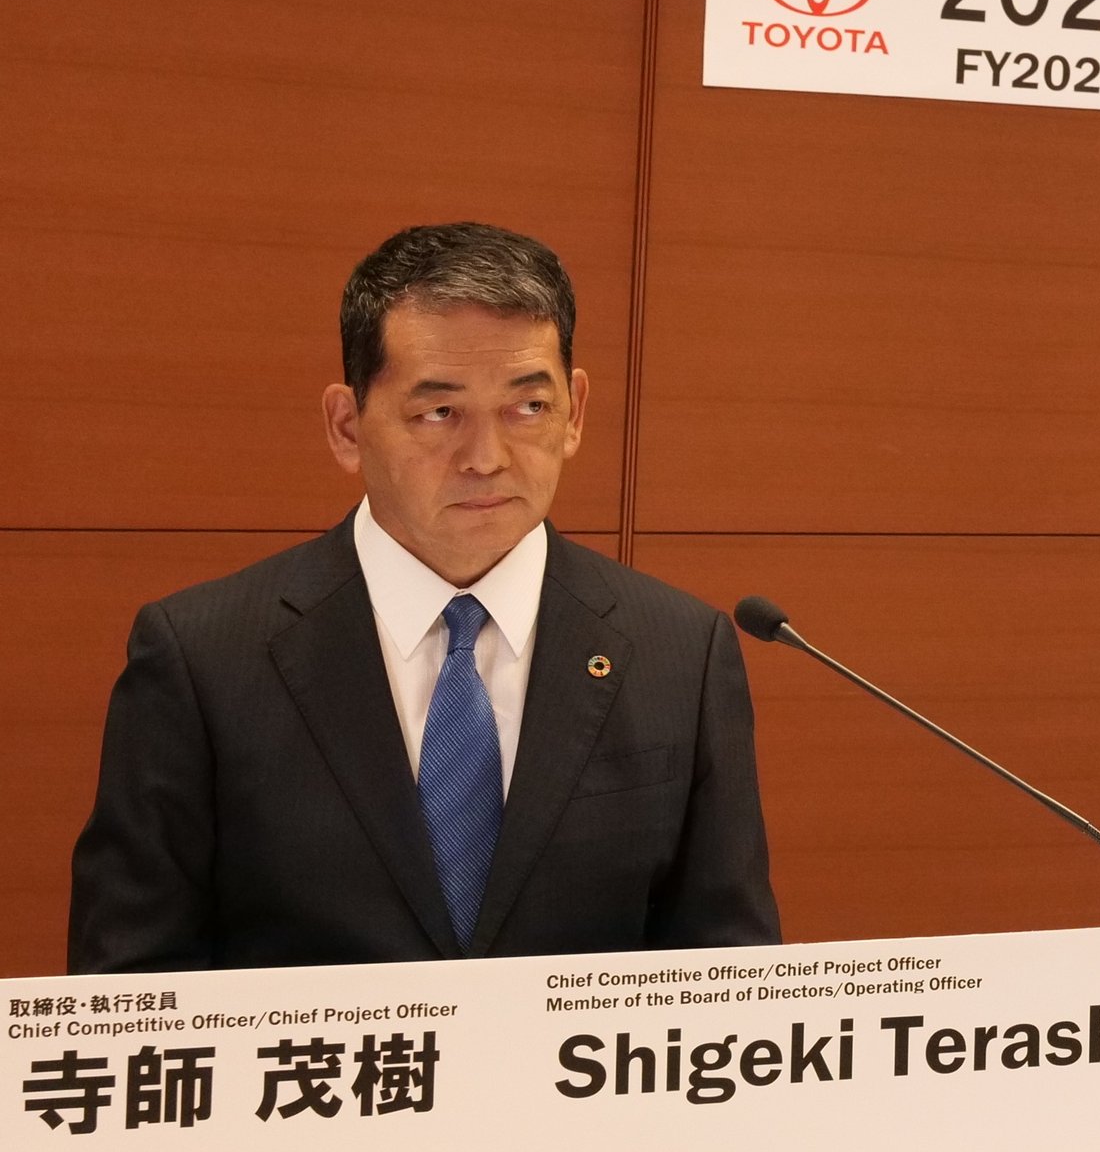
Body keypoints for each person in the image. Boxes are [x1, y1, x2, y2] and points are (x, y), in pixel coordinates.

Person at [70, 224, 778, 969]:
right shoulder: (203, 660)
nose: (486, 458)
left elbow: (726, 986)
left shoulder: (682, 655)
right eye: (439, 413)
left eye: (527, 408)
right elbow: (128, 999)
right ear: (347, 426)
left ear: (575, 410)